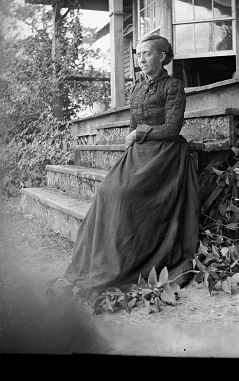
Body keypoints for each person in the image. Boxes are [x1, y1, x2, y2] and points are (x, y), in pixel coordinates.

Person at [64, 35, 199, 295]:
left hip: (166, 153)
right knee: (107, 190)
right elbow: (132, 125)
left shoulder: (173, 86)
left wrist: (140, 134)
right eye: (139, 55)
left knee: (126, 195)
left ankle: (131, 260)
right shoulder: (137, 87)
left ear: (162, 56)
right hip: (139, 151)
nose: (141, 59)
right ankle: (103, 261)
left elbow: (172, 128)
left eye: (147, 54)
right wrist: (132, 142)